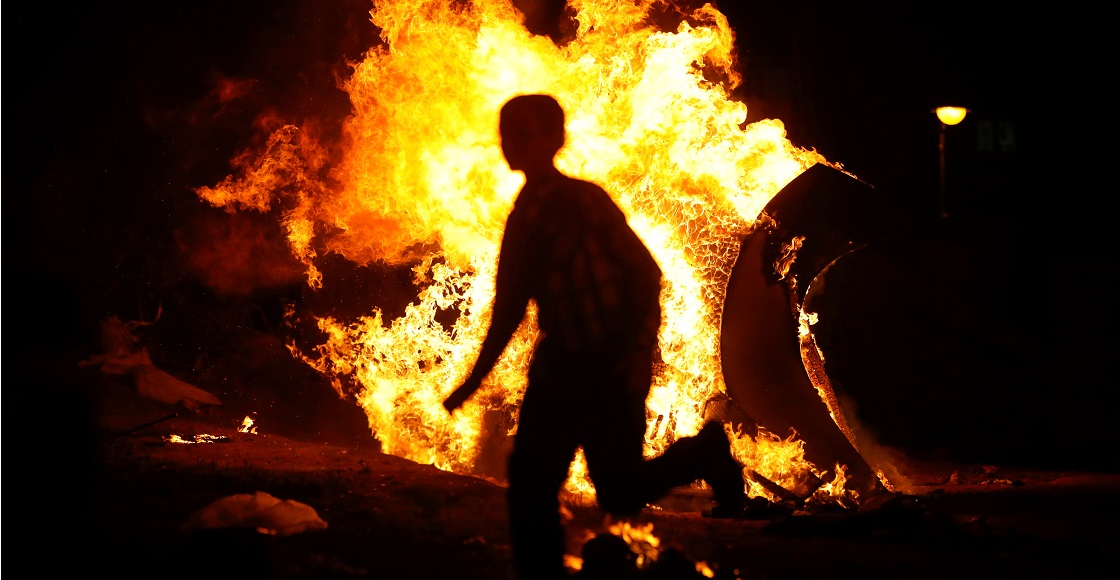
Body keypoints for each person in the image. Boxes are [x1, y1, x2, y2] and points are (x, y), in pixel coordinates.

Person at [443, 94, 746, 580]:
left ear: (554, 139)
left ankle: (705, 451)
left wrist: (636, 349)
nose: (512, 144)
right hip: (559, 365)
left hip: (609, 366)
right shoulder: (523, 216)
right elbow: (509, 306)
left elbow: (645, 274)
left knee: (619, 492)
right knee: (531, 480)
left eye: (525, 132)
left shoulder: (585, 201)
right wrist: (473, 381)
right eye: (507, 133)